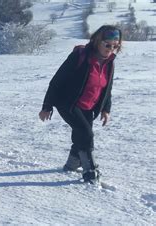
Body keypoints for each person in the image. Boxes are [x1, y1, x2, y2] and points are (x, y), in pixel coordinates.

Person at [39, 25, 122, 184]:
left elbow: (107, 89)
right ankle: (90, 170)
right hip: (67, 103)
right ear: (98, 41)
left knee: (81, 133)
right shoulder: (80, 56)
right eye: (107, 44)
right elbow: (56, 81)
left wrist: (106, 109)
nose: (111, 49)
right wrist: (47, 106)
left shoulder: (109, 63)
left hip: (88, 106)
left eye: (115, 46)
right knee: (86, 133)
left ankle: (72, 164)